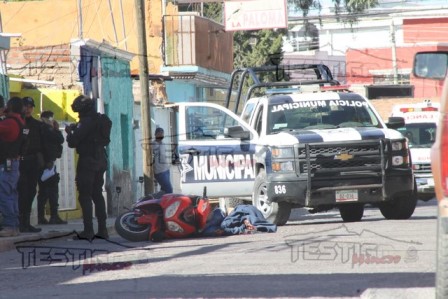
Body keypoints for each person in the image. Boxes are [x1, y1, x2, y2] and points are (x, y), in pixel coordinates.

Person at [66, 95, 109, 240]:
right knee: (97, 194)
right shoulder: (100, 119)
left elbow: (72, 142)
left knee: (85, 195)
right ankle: (102, 229)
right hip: (101, 159)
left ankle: (88, 230)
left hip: (88, 160)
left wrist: (69, 132)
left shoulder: (86, 122)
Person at [0, 97, 26, 237]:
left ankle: (10, 225)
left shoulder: (10, 122)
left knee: (5, 195)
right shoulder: (19, 121)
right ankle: (14, 225)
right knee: (12, 194)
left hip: (7, 165)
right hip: (13, 164)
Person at [17, 97, 42, 233]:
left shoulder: (37, 125)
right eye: (25, 106)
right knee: (20, 192)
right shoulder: (17, 122)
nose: (27, 109)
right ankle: (19, 222)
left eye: (30, 106)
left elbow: (42, 144)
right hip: (19, 161)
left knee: (31, 191)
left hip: (32, 162)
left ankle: (26, 222)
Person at [37, 110, 66, 225]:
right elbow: (60, 139)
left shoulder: (41, 128)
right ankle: (53, 216)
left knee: (44, 192)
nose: (51, 121)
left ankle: (42, 217)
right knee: (51, 191)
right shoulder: (46, 129)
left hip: (45, 163)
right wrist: (57, 130)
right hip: (46, 164)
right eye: (50, 119)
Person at [152, 127, 173, 196]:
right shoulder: (153, 144)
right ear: (155, 134)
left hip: (166, 170)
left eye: (162, 134)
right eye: (159, 134)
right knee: (169, 190)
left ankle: (160, 204)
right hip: (159, 172)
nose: (161, 135)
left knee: (164, 191)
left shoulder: (163, 144)